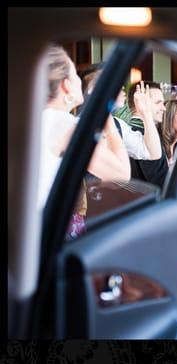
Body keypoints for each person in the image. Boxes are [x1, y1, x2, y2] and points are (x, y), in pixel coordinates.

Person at [39, 45, 130, 238]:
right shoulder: (62, 123)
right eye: (75, 75)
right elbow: (121, 174)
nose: (80, 81)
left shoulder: (38, 119)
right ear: (65, 86)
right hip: (49, 228)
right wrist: (105, 109)